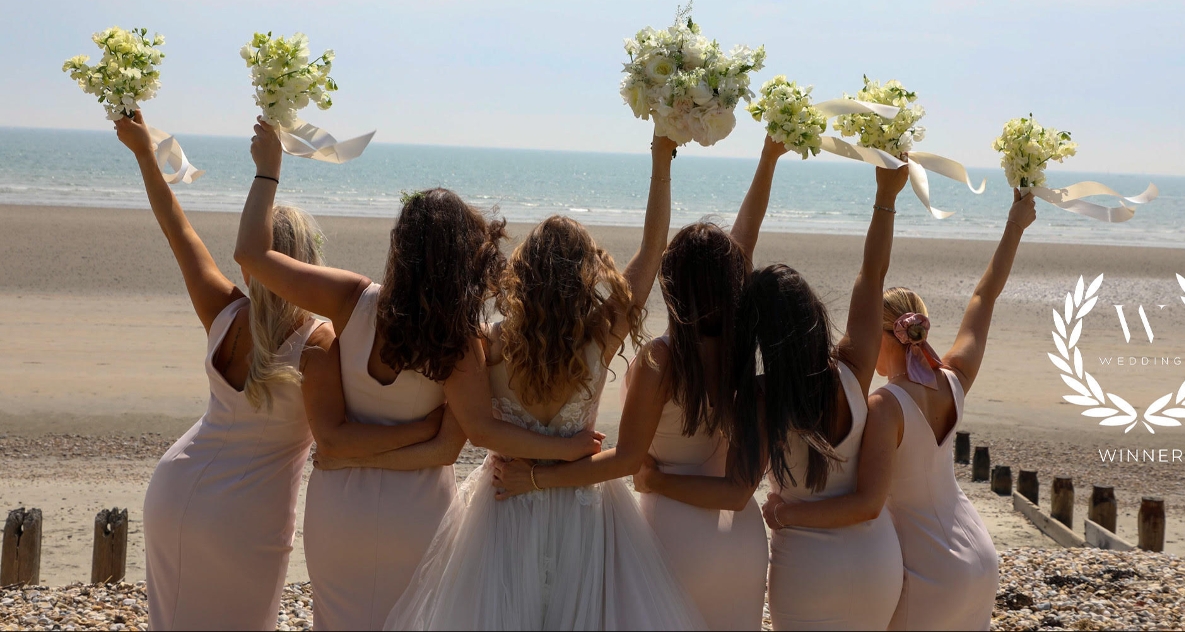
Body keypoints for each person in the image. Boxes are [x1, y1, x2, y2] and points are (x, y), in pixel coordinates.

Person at [235, 119, 600, 630]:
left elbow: (251, 254)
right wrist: (564, 449)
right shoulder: (459, 341)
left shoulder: (351, 299)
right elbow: (456, 444)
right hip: (419, 511)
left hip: (340, 508)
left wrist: (268, 173)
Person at [385, 133, 703, 631]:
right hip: (583, 509)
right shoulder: (602, 337)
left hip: (505, 503)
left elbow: (482, 430)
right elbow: (653, 248)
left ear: (522, 272)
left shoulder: (486, 342)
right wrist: (661, 159)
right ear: (587, 273)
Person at [492, 136, 791, 630]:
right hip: (734, 539)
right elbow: (715, 243)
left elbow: (628, 460)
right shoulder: (733, 345)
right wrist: (762, 160)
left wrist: (539, 475)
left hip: (659, 533)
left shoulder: (660, 358)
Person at [636, 159, 911, 631]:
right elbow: (873, 272)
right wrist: (886, 196)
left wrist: (655, 481)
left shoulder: (761, 398)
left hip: (807, 566)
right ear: (814, 311)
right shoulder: (854, 369)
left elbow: (735, 491)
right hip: (877, 560)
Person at [117, 110, 326, 631]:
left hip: (174, 491)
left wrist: (146, 152)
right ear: (306, 263)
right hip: (246, 519)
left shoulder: (226, 312)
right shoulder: (319, 342)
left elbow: (177, 229)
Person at [870, 188, 1036, 631]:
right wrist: (1015, 226)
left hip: (929, 569)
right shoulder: (953, 378)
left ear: (886, 335)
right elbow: (984, 297)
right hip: (979, 553)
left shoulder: (884, 405)